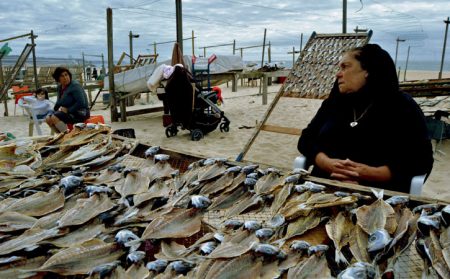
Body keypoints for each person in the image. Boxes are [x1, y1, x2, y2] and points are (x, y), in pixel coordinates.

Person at [297, 44, 433, 193]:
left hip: (377, 194)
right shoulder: (334, 103)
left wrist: (368, 173)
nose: (338, 74)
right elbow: (306, 139)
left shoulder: (402, 107)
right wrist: (325, 162)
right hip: (322, 188)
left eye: (345, 67)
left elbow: (421, 159)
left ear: (368, 71)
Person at [46, 67, 90, 133]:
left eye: (66, 75)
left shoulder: (75, 86)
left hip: (80, 113)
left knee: (54, 117)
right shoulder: (60, 87)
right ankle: (60, 136)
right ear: (58, 78)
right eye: (62, 76)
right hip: (69, 113)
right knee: (48, 119)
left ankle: (67, 136)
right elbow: (59, 102)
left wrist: (68, 110)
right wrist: (53, 111)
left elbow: (81, 103)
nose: (65, 77)